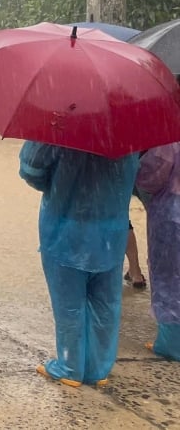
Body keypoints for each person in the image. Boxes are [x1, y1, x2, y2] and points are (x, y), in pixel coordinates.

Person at [19, 140, 140, 386]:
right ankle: (99, 368)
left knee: (69, 304)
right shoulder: (129, 130)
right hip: (111, 232)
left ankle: (70, 365)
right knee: (105, 302)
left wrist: (61, 182)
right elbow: (139, 176)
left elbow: (31, 170)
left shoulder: (60, 122)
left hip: (66, 230)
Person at [136, 140, 180, 360]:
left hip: (172, 214)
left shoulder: (169, 140)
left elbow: (151, 177)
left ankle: (172, 342)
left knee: (169, 276)